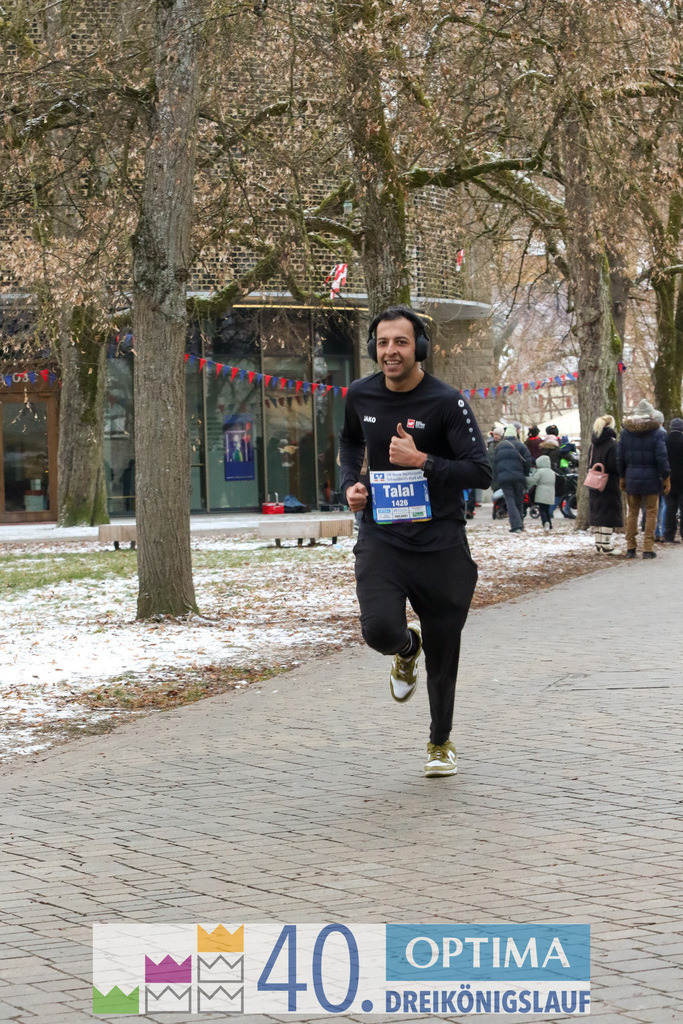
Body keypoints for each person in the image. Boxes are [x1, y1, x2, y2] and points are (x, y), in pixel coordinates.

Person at [339, 306, 491, 778]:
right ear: (373, 348)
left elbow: (480, 472)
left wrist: (421, 460)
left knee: (445, 653)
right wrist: (351, 484)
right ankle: (406, 649)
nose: (390, 352)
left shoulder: (447, 402)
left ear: (419, 347)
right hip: (382, 537)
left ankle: (440, 741)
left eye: (400, 343)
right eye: (383, 343)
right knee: (378, 630)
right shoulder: (360, 394)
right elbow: (348, 443)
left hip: (440, 542)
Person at [617, 399, 671, 559]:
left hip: (632, 477)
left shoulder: (625, 433)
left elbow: (620, 458)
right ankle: (648, 548)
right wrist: (666, 477)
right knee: (652, 512)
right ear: (650, 415)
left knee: (632, 512)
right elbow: (662, 458)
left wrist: (622, 476)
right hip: (651, 478)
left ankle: (630, 547)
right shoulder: (658, 433)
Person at [587, 415, 622, 555]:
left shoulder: (593, 445)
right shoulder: (612, 445)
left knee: (597, 512)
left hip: (593, 482)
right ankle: (607, 545)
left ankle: (598, 544)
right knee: (609, 512)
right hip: (609, 483)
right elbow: (615, 466)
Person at [493, 423, 532, 533]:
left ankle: (515, 525)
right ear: (515, 434)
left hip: (504, 478)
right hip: (519, 477)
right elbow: (528, 460)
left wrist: (496, 479)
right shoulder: (521, 446)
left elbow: (495, 464)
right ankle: (520, 524)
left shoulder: (499, 447)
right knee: (519, 501)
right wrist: (525, 474)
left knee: (510, 501)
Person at [663, 416, 683, 543]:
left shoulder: (665, 441)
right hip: (682, 480)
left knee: (670, 508)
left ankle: (669, 535)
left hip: (669, 479)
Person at [526, 453, 556, 531]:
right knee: (547, 509)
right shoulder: (552, 472)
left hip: (541, 492)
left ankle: (545, 522)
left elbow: (533, 480)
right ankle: (549, 523)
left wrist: (526, 479)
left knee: (542, 509)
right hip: (550, 492)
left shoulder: (540, 472)